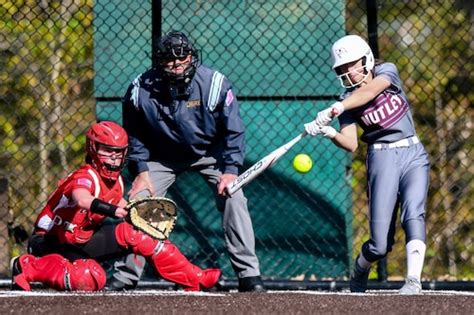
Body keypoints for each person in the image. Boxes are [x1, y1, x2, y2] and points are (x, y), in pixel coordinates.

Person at [106, 31, 265, 293]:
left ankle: (249, 275)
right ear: (160, 63)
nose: (177, 67)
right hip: (161, 157)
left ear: (192, 57)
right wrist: (141, 170)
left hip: (209, 154)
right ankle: (126, 276)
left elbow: (234, 130)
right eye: (170, 62)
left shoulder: (214, 83)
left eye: (182, 60)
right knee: (139, 201)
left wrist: (230, 171)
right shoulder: (140, 89)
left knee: (234, 196)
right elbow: (133, 134)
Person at [10, 121, 221, 292]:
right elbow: (82, 198)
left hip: (83, 240)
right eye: (108, 151)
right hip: (50, 242)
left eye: (119, 152)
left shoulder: (116, 181)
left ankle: (194, 279)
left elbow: (123, 207)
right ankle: (26, 265)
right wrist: (114, 211)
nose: (115, 157)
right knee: (89, 278)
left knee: (140, 235)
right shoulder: (85, 175)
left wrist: (136, 215)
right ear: (92, 148)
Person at [304, 35, 430, 295]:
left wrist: (336, 107)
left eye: (352, 64)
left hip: (413, 152)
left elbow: (371, 91)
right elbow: (351, 144)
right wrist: (329, 132)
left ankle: (413, 280)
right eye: (342, 68)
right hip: (381, 159)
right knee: (379, 245)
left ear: (367, 59)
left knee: (413, 214)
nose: (348, 71)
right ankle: (361, 267)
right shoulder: (347, 101)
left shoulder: (387, 72)